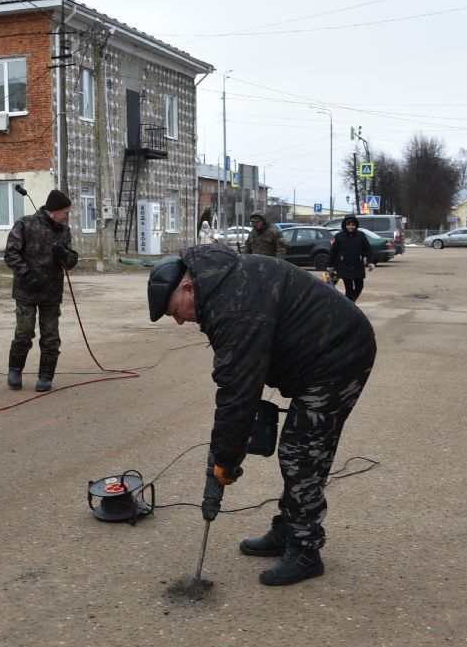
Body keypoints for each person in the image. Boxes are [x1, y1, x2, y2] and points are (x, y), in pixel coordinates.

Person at [148, 244, 376, 586]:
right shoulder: (219, 287)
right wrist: (228, 452)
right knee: (295, 447)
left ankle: (305, 549)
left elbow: (238, 394)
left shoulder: (233, 304)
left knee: (301, 452)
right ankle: (288, 530)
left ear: (188, 287)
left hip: (339, 355)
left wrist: (223, 459)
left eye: (175, 311)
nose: (180, 320)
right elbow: (239, 382)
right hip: (317, 354)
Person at [4, 188, 78, 392]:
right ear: (54, 210)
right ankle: (15, 370)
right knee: (24, 333)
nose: (67, 215)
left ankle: (46, 376)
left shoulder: (64, 231)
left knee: (51, 337)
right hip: (26, 290)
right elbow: (11, 253)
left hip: (51, 293)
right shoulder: (25, 224)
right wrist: (26, 274)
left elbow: (71, 262)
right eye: (66, 211)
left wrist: (64, 254)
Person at [327, 215, 375, 302]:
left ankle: (350, 303)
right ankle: (350, 305)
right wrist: (330, 265)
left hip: (358, 265)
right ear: (345, 225)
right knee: (349, 289)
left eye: (353, 225)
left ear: (356, 225)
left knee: (359, 286)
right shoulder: (339, 236)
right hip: (344, 265)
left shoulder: (361, 235)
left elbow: (368, 249)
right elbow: (333, 251)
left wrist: (370, 262)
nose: (351, 227)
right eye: (349, 225)